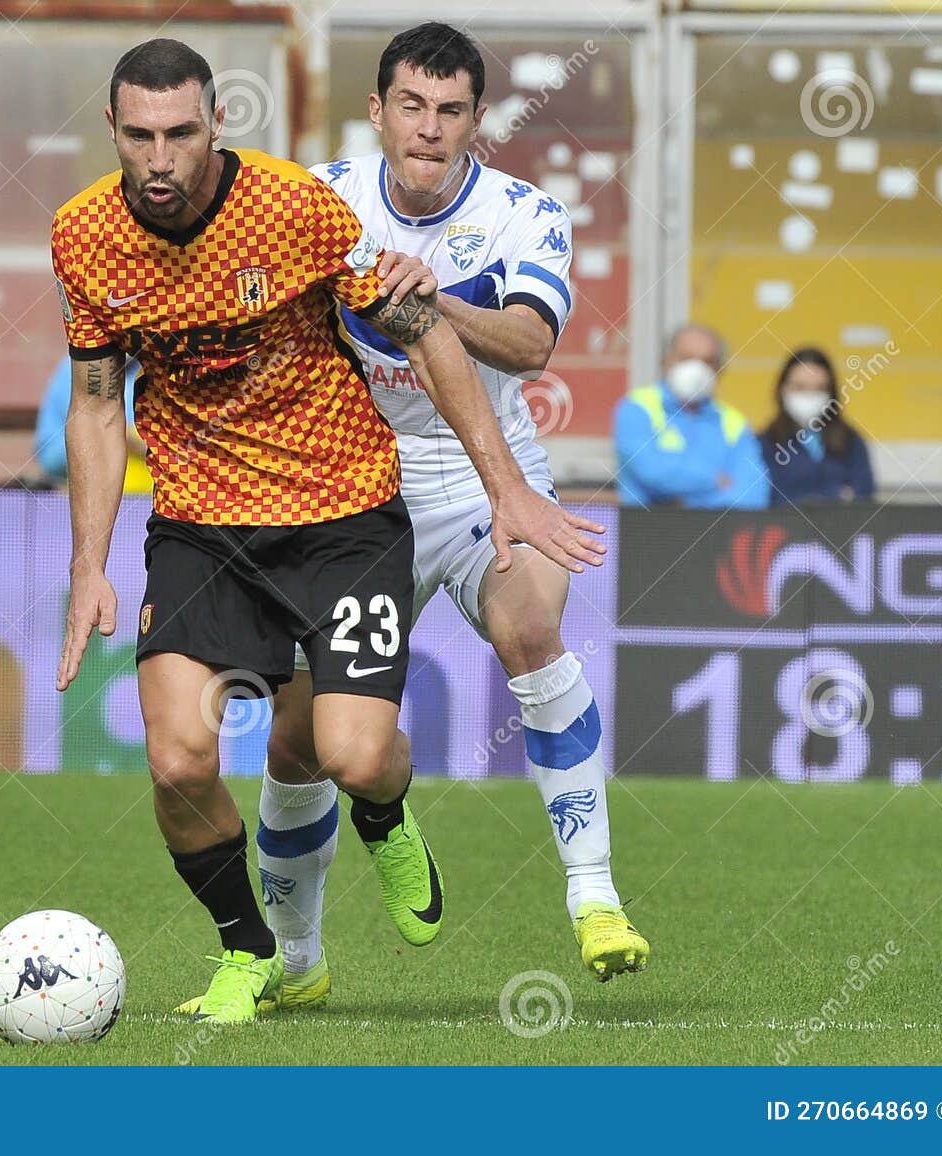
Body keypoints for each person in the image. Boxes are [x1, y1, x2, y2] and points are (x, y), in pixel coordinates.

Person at [52, 38, 602, 1026]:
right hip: (200, 523)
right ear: (113, 132)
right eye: (140, 135)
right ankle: (248, 951)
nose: (162, 157)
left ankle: (389, 818)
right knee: (177, 761)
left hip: (342, 513)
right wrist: (88, 561)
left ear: (216, 123)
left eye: (181, 132)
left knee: (350, 755)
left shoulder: (294, 209)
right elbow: (96, 401)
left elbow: (425, 330)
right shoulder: (83, 236)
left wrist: (505, 484)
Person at [245, 22, 647, 1014]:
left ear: (477, 121)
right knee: (299, 737)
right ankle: (295, 954)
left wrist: (432, 302)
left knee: (532, 623)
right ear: (377, 110)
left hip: (479, 468)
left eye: (451, 111)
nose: (428, 131)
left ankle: (594, 896)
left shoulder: (523, 215)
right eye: (411, 107)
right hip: (344, 478)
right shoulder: (317, 199)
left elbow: (529, 344)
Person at [615, 325, 769, 509]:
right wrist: (714, 480)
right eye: (686, 358)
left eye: (707, 361)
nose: (696, 369)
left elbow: (753, 493)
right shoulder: (638, 407)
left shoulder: (735, 422)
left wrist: (686, 506)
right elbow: (650, 472)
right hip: (644, 530)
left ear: (720, 368)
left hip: (716, 532)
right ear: (666, 360)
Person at [760, 347, 875, 505]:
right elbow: (767, 496)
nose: (809, 396)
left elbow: (864, 495)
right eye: (800, 387)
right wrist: (834, 495)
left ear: (831, 393)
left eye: (819, 388)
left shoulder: (851, 440)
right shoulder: (765, 442)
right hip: (786, 528)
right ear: (783, 389)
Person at [34, 356, 151, 493]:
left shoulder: (157, 367)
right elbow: (51, 458)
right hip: (92, 493)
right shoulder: (77, 366)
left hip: (152, 497)